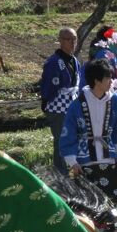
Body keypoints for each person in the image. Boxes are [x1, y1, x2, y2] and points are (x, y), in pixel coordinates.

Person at [60, 58, 117, 210]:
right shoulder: (77, 104)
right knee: (89, 205)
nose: (111, 81)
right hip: (85, 162)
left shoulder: (114, 100)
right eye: (108, 77)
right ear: (96, 80)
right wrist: (72, 161)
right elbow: (69, 134)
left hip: (110, 159)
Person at [40, 28, 83, 171]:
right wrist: (45, 100)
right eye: (68, 39)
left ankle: (72, 169)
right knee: (61, 139)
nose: (72, 42)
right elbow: (48, 85)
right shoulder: (53, 62)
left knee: (73, 138)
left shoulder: (74, 60)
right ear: (60, 40)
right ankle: (61, 172)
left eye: (74, 39)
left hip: (72, 105)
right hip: (57, 106)